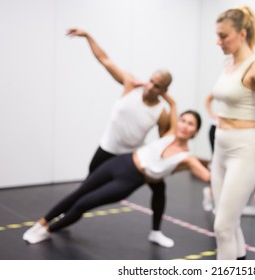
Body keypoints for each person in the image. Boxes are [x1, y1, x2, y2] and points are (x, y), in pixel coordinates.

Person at [22, 93, 210, 245]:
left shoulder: (188, 158)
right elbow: (172, 101)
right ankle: (41, 222)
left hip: (130, 180)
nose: (184, 125)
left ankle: (47, 231)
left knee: (85, 203)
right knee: (78, 193)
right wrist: (149, 86)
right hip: (121, 162)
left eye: (190, 124)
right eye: (183, 120)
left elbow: (207, 176)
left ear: (196, 132)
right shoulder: (170, 133)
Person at [66, 28, 173, 247]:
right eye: (151, 80)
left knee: (160, 188)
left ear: (164, 90)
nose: (150, 86)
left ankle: (156, 231)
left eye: (157, 85)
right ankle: (64, 217)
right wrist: (87, 36)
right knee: (86, 187)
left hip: (132, 156)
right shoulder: (130, 84)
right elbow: (104, 60)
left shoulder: (161, 112)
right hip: (107, 149)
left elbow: (165, 141)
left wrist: (173, 107)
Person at [211, 6, 255, 260]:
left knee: (223, 226)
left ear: (242, 34)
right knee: (224, 216)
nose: (218, 42)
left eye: (224, 36)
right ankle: (239, 259)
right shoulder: (228, 63)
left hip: (243, 149)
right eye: (217, 35)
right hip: (220, 145)